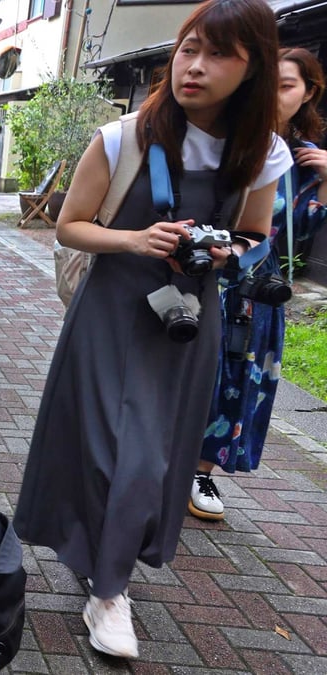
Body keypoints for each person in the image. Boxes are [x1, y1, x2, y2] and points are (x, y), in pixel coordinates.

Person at [13, 0, 291, 660]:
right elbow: (70, 224)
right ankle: (110, 589)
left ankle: (106, 571)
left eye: (219, 54)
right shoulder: (126, 136)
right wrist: (136, 238)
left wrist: (230, 250)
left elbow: (256, 235)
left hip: (186, 322)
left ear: (253, 69)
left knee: (152, 458)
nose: (195, 65)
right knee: (114, 452)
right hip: (111, 309)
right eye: (189, 47)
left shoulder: (262, 152)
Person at [191, 46, 327, 521]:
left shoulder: (303, 160)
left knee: (236, 383)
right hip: (208, 280)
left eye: (287, 86)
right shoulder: (225, 139)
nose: (274, 96)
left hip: (258, 292)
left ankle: (200, 471)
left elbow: (304, 232)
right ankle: (162, 462)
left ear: (308, 92)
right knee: (189, 374)